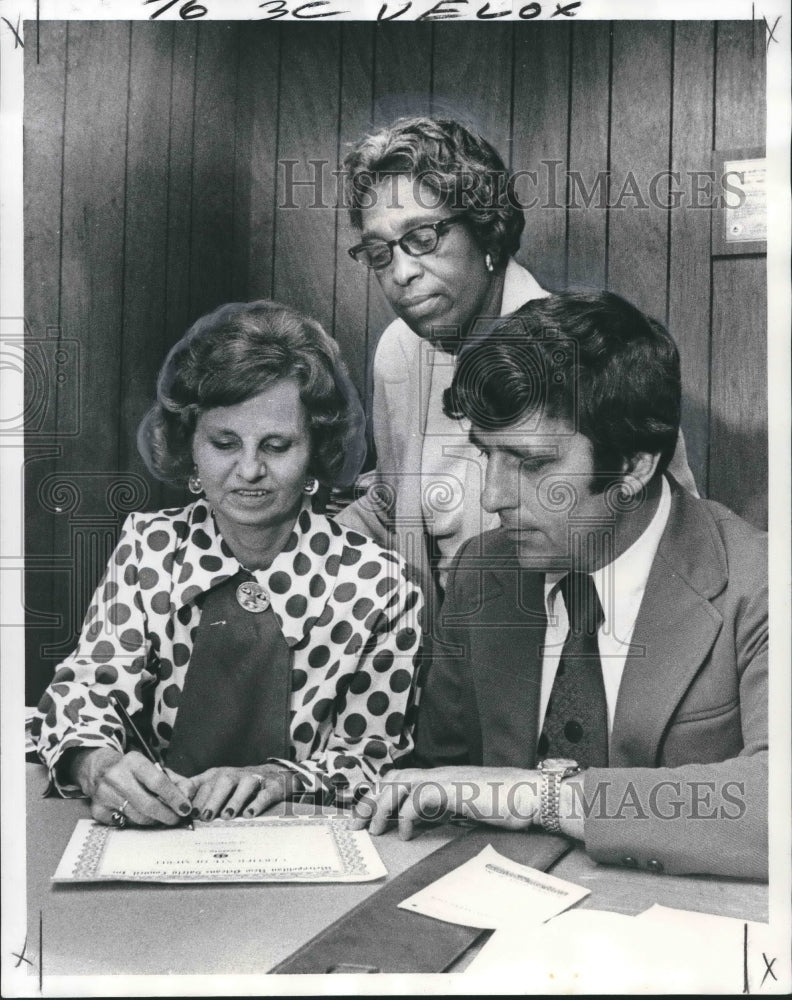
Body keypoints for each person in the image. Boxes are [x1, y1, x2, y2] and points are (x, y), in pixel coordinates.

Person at [354, 291, 767, 881]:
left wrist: (543, 797)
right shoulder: (480, 574)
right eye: (486, 456)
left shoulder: (761, 583)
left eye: (530, 463)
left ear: (633, 465)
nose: (492, 496)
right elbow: (437, 788)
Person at [33, 301, 423, 828]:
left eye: (277, 445)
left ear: (316, 451)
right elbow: (83, 691)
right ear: (190, 446)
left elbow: (376, 756)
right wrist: (96, 764)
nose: (249, 470)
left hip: (305, 854)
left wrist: (281, 777)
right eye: (223, 443)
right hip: (149, 837)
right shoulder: (149, 547)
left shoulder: (382, 586)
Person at [336, 116, 697, 610]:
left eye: (423, 238)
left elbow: (674, 532)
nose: (401, 273)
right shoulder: (399, 350)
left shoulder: (588, 357)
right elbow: (402, 503)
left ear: (487, 232)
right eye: (380, 252)